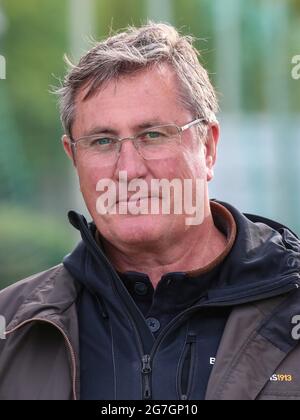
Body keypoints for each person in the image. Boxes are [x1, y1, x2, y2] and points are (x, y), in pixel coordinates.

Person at [0, 22, 300, 401]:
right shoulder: (12, 329)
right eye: (103, 141)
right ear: (73, 156)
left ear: (207, 147)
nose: (128, 171)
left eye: (152, 135)